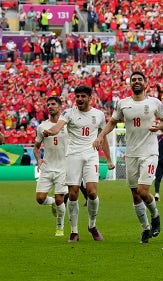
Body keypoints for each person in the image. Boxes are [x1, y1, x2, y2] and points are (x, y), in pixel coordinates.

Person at [95, 71, 163, 243]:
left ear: (145, 83)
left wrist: (159, 126)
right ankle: (145, 229)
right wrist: (100, 136)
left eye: (139, 79)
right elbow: (112, 122)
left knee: (143, 191)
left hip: (149, 152)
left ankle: (155, 216)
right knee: (135, 194)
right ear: (130, 83)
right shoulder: (123, 104)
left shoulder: (154, 103)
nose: (136, 82)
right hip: (132, 154)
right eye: (133, 79)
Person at [43, 85, 115, 243]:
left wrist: (109, 159)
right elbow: (58, 126)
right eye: (78, 97)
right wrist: (51, 131)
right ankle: (74, 231)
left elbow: (103, 138)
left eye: (83, 96)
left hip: (91, 155)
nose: (80, 99)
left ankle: (92, 225)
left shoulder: (98, 115)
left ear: (90, 98)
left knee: (92, 193)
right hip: (73, 155)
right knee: (73, 193)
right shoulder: (68, 113)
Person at [34, 96, 68, 237]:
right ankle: (52, 202)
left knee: (61, 199)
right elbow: (36, 147)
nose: (50, 106)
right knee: (40, 199)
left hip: (63, 167)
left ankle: (60, 227)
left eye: (53, 104)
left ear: (60, 107)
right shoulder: (42, 127)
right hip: (47, 167)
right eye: (48, 104)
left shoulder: (67, 125)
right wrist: (39, 159)